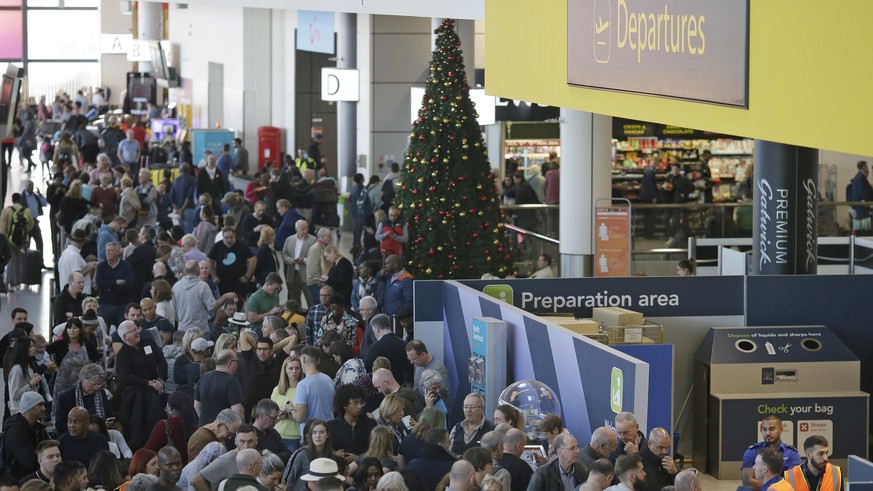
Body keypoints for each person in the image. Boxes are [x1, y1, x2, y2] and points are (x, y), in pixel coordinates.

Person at [116, 320, 168, 449]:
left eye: (137, 328)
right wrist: (148, 383)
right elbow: (126, 377)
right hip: (135, 396)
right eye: (133, 330)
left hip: (155, 390)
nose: (137, 332)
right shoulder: (122, 355)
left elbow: (162, 362)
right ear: (125, 337)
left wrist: (160, 380)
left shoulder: (149, 343)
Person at [239, 332, 293, 417]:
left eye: (265, 349)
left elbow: (293, 338)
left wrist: (274, 347)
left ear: (272, 350)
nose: (262, 352)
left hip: (271, 411)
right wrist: (257, 346)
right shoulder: (250, 358)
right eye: (259, 349)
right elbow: (243, 335)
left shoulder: (278, 361)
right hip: (249, 412)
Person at [190, 426, 259, 491]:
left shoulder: (258, 457)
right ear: (236, 441)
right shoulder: (226, 460)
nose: (246, 446)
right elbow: (196, 480)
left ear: (256, 441)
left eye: (250, 441)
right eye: (242, 441)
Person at [173, 260, 237, 331]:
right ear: (198, 270)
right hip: (199, 331)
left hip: (182, 329)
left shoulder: (176, 286)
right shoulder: (203, 286)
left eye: (206, 268)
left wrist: (182, 322)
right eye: (201, 268)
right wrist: (225, 296)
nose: (204, 270)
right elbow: (212, 306)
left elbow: (173, 309)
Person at [741, 415, 801, 491]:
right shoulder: (752, 451)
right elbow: (747, 481)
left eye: (772, 429)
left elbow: (792, 482)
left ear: (781, 429)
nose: (768, 433)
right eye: (764, 429)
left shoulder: (791, 453)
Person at [54, 364, 113, 436]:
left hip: (101, 435)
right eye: (93, 384)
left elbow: (109, 414)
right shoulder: (66, 397)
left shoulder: (101, 393)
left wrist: (108, 421)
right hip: (76, 438)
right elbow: (60, 425)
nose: (96, 388)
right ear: (83, 380)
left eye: (99, 384)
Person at [1, 392, 45, 480]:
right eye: (40, 405)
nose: (44, 408)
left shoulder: (37, 427)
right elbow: (29, 462)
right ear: (29, 407)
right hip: (17, 481)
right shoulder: (15, 431)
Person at [327, 384, 377, 460]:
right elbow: (325, 450)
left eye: (361, 402)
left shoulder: (371, 424)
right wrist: (334, 454)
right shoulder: (332, 426)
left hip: (365, 468)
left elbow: (376, 450)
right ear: (344, 404)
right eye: (355, 403)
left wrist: (358, 458)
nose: (359, 406)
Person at [144, 392, 199, 463]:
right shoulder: (196, 428)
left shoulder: (164, 425)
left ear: (169, 408)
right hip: (191, 471)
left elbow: (149, 451)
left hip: (169, 471)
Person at [289, 347, 335, 430]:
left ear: (303, 359)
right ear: (318, 361)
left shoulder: (303, 385)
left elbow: (300, 418)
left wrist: (291, 409)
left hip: (311, 434)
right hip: (329, 431)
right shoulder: (328, 379)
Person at [194, 349, 245, 424]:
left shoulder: (204, 377)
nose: (237, 365)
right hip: (223, 429)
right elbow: (238, 411)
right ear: (230, 363)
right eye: (236, 362)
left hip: (204, 427)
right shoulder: (231, 381)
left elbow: (197, 406)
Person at [281, 421, 336, 490]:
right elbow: (287, 481)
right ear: (310, 435)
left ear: (327, 434)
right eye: (314, 432)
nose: (318, 436)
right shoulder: (301, 454)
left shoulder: (332, 455)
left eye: (321, 432)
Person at [364, 315, 413, 386]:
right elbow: (409, 366)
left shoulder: (377, 346)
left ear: (377, 329)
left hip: (384, 387)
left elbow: (366, 366)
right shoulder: (404, 344)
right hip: (402, 386)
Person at [95, 241, 135, 329]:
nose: (107, 253)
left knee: (123, 330)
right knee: (103, 331)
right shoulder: (102, 266)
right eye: (106, 251)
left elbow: (129, 284)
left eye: (111, 251)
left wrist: (109, 288)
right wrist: (116, 282)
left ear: (117, 252)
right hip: (105, 305)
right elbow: (99, 284)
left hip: (121, 305)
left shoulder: (126, 266)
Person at [209, 227, 256, 299]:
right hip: (223, 283)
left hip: (239, 283)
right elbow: (209, 261)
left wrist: (247, 276)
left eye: (231, 237)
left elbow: (253, 260)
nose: (229, 240)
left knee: (239, 303)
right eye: (226, 237)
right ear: (223, 237)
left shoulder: (242, 245)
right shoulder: (217, 246)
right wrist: (214, 276)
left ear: (235, 235)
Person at [271, 356, 304, 452]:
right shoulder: (277, 390)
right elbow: (271, 415)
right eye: (290, 368)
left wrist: (290, 413)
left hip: (296, 436)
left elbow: (303, 416)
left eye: (297, 368)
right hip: (277, 434)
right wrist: (285, 414)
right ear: (285, 370)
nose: (294, 371)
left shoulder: (303, 389)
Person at [281, 219, 316, 307]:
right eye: (302, 229)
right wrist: (288, 259)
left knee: (310, 299)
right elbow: (284, 253)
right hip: (293, 274)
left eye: (306, 229)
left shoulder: (313, 240)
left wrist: (303, 260)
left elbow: (315, 258)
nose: (305, 231)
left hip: (306, 274)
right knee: (294, 300)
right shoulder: (289, 239)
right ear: (297, 229)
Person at [305, 228, 333, 302]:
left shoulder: (323, 247)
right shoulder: (316, 248)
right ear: (322, 237)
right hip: (316, 283)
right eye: (329, 236)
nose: (331, 238)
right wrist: (320, 282)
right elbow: (314, 268)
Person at [849, 160, 873, 231]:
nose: (868, 169)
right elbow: (863, 192)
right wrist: (869, 203)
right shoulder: (861, 178)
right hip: (862, 207)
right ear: (863, 167)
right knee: (864, 227)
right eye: (867, 167)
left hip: (859, 206)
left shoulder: (857, 177)